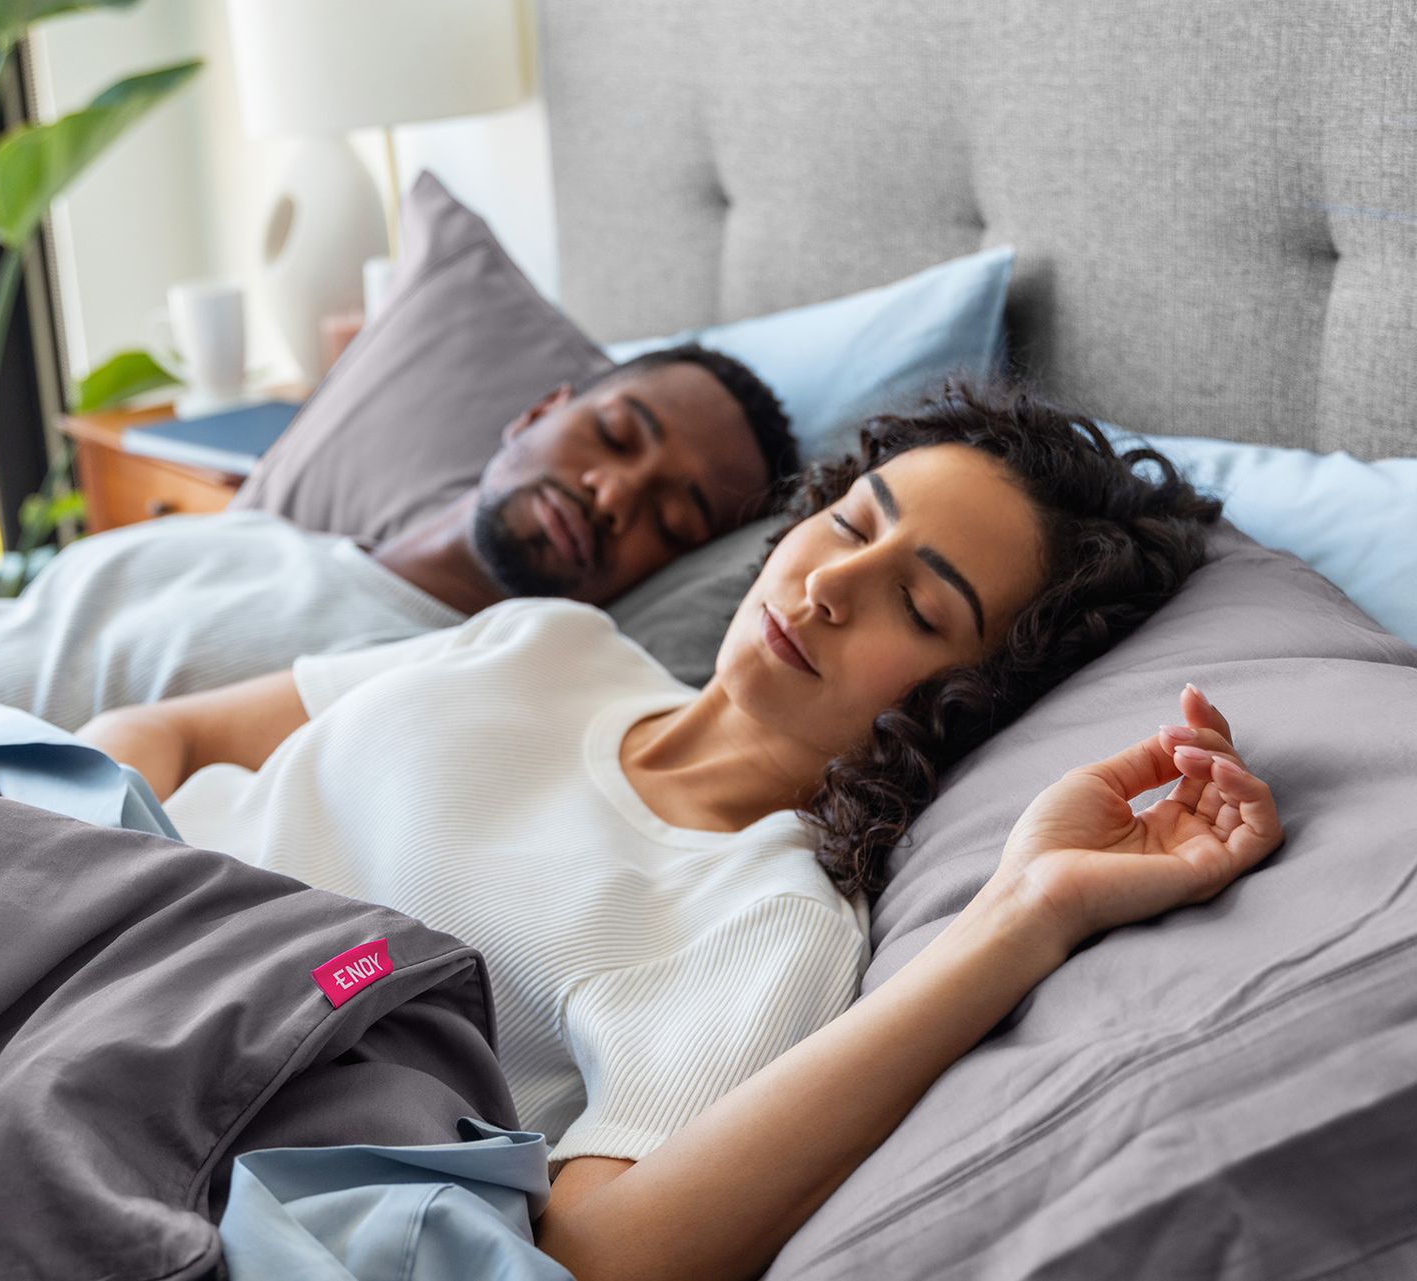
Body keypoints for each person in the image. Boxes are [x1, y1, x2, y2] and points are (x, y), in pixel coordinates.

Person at [79, 378, 1280, 1281]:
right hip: (73, 890)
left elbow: (598, 1255)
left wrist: (1027, 914)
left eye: (916, 606)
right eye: (851, 526)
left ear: (973, 700)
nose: (828, 588)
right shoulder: (552, 639)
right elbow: (166, 732)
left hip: (161, 1081)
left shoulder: (769, 921)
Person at [0, 343, 795, 730]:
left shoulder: (440, 691)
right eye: (615, 435)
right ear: (539, 410)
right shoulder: (255, 534)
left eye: (671, 521)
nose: (613, 493)